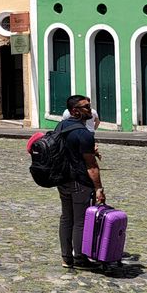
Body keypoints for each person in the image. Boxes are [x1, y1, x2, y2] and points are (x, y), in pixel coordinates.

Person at [56, 95, 105, 270]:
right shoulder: (83, 134)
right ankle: (80, 259)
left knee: (66, 218)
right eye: (85, 107)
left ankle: (66, 258)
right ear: (75, 111)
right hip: (79, 181)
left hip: (62, 179)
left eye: (89, 106)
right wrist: (99, 188)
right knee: (80, 221)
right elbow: (91, 166)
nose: (90, 110)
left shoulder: (61, 127)